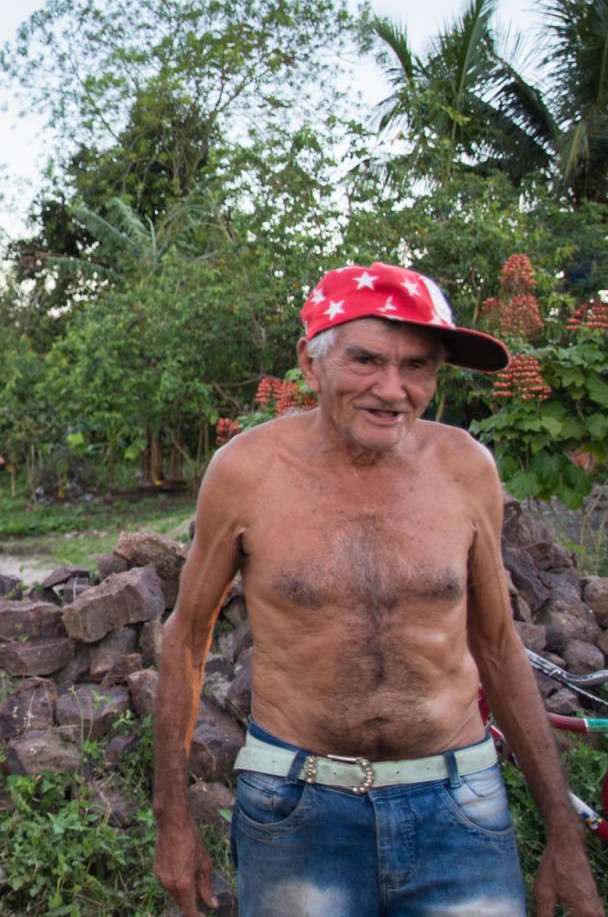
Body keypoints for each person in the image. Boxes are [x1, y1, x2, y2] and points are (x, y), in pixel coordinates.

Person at [151, 262, 604, 917]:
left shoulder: (466, 469)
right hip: (298, 803)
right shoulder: (246, 474)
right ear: (311, 363)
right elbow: (186, 642)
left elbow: (500, 648)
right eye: (366, 360)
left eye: (418, 366)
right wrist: (173, 819)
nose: (393, 390)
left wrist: (565, 835)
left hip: (458, 802)